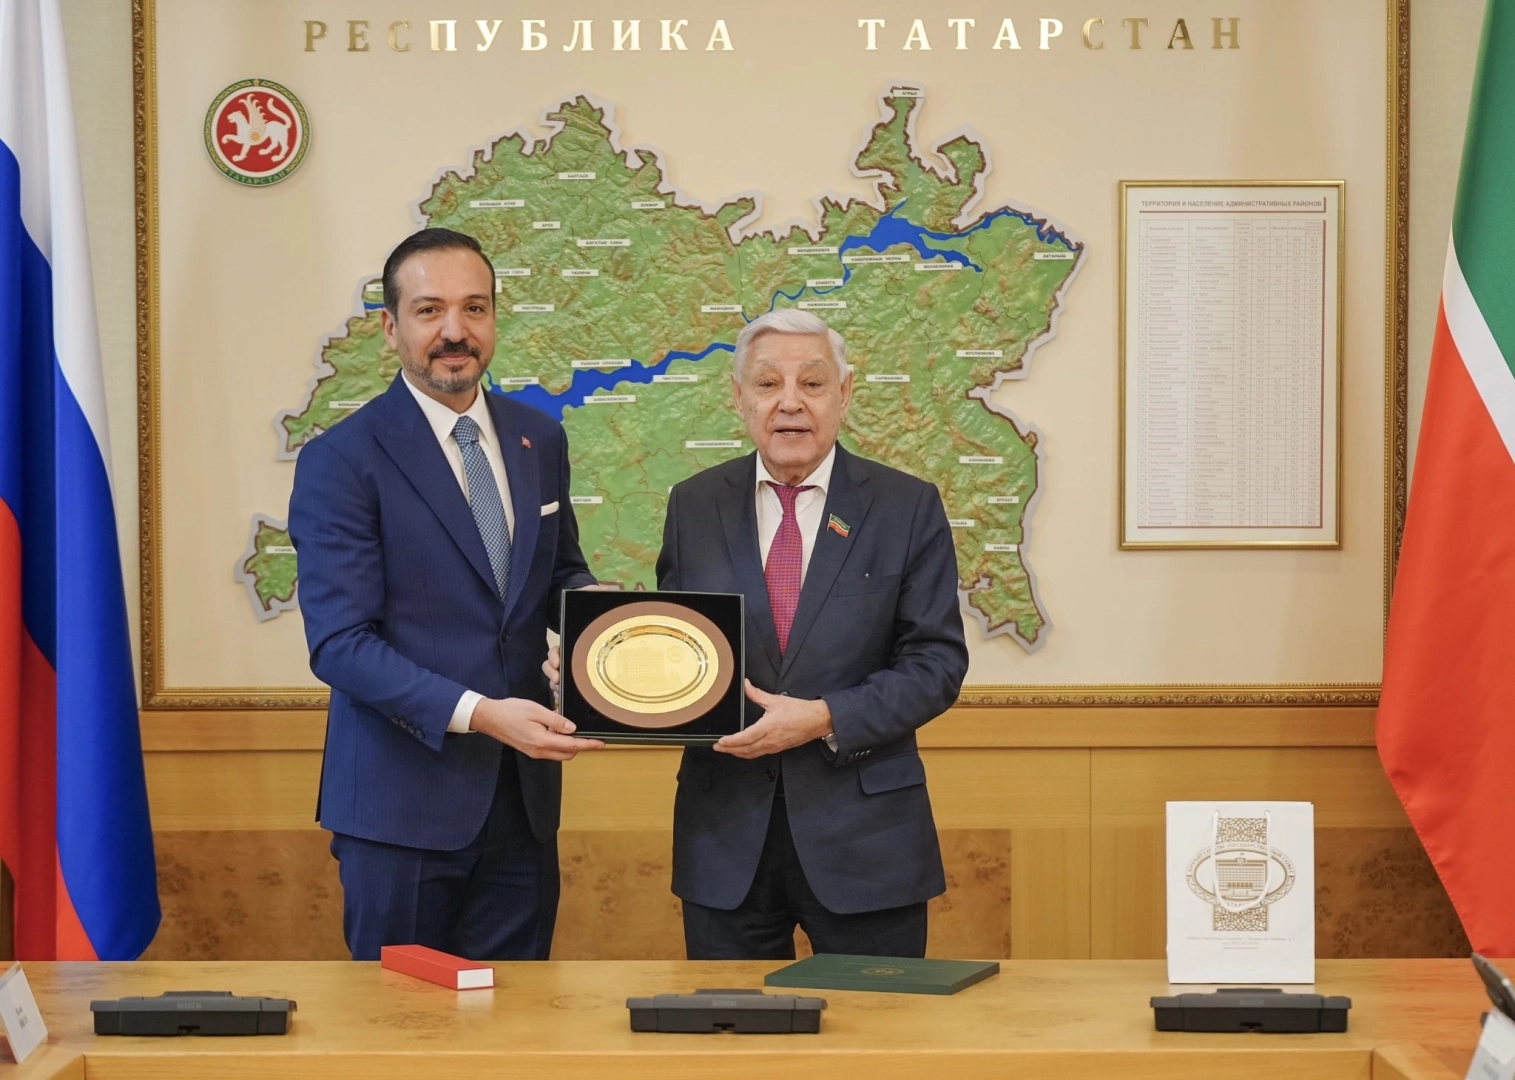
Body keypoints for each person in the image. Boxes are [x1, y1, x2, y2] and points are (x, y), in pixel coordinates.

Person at [549, 308, 968, 959]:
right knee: (733, 1024)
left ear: (844, 394)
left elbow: (935, 664)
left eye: (813, 383)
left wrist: (824, 717)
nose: (790, 403)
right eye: (768, 384)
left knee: (877, 1025)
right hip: (725, 839)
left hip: (866, 843)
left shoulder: (906, 506)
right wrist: (591, 674)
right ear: (739, 397)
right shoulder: (694, 504)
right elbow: (679, 651)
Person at [289, 227, 602, 962]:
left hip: (523, 807)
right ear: (390, 327)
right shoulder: (343, 460)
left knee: (516, 1021)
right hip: (400, 812)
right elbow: (340, 645)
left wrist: (601, 617)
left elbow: (558, 574)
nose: (455, 331)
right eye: (430, 310)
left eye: (474, 308)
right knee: (398, 1023)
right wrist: (483, 715)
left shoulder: (539, 439)